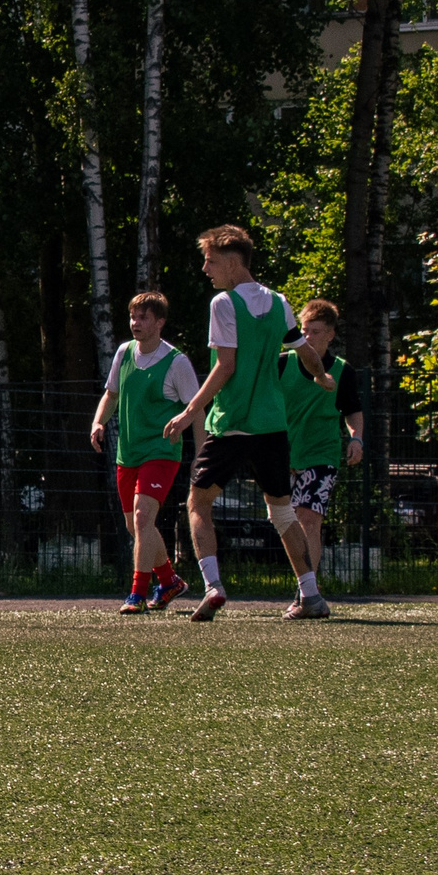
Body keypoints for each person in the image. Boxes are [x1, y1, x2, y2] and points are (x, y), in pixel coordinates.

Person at [163, 225, 315, 622]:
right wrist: (323, 377)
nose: (205, 268)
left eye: (211, 260)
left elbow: (225, 367)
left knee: (198, 504)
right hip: (271, 425)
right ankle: (311, 596)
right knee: (283, 513)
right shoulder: (280, 301)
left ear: (232, 262)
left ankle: (213, 587)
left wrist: (189, 411)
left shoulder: (224, 303)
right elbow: (304, 351)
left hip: (232, 425)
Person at [89, 290, 201, 613]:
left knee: (141, 518)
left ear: (160, 322)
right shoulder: (123, 353)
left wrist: (201, 456)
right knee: (136, 526)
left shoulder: (176, 362)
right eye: (133, 317)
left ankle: (137, 594)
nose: (135, 323)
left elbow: (196, 410)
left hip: (162, 452)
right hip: (128, 453)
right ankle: (168, 581)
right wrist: (98, 423)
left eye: (143, 318)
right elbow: (111, 395)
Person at [278, 298, 363, 620]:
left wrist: (356, 439)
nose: (308, 337)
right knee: (288, 523)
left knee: (308, 519)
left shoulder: (342, 370)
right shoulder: (283, 364)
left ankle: (306, 594)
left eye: (315, 332)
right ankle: (305, 588)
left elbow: (353, 411)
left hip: (322, 455)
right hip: (284, 455)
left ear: (330, 335)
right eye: (304, 331)